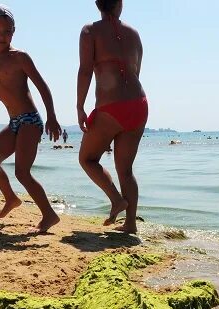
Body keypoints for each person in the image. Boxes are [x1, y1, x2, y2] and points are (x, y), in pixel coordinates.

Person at [0, 4, 62, 233]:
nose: (2, 35)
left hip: (30, 120)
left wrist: (52, 117)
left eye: (7, 30)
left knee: (22, 172)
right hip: (14, 123)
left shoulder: (20, 57)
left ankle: (49, 215)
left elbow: (42, 86)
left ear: (14, 31)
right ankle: (11, 198)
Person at [77, 0, 148, 234]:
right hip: (138, 104)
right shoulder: (134, 33)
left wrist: (80, 106)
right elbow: (136, 70)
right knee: (125, 170)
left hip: (111, 106)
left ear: (97, 3)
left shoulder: (90, 31)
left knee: (87, 159)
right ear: (120, 3)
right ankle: (130, 224)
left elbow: (86, 70)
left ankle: (117, 200)